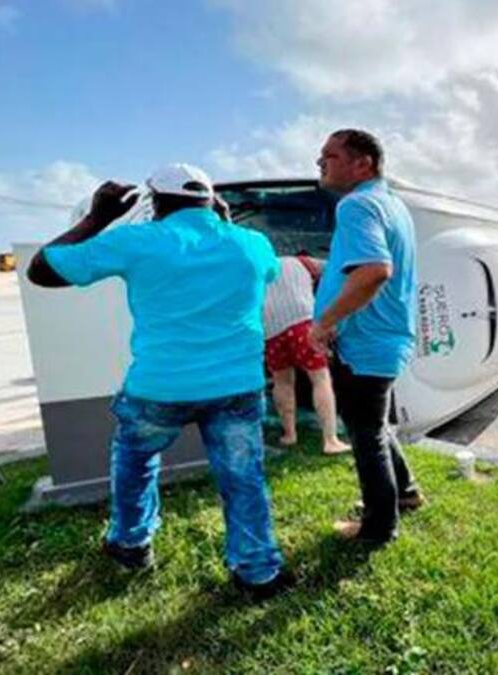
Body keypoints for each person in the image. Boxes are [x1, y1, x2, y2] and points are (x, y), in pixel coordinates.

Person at [26, 165, 295, 599]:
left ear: (156, 202)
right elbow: (264, 273)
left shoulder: (136, 241)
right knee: (243, 476)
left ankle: (132, 543)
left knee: (135, 461)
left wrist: (97, 217)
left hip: (161, 387)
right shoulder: (252, 244)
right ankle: (258, 570)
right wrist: (223, 224)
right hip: (237, 386)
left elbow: (43, 269)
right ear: (212, 202)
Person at [308, 129, 424, 545]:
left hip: (366, 343)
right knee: (375, 426)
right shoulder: (391, 204)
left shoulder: (357, 204)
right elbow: (366, 266)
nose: (320, 163)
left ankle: (379, 528)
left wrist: (324, 323)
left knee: (366, 435)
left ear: (364, 164)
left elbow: (374, 271)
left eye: (330, 156)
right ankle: (406, 494)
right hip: (387, 338)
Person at [264, 255, 350, 455]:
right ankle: (330, 440)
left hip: (271, 328)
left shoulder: (262, 268)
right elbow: (335, 271)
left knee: (282, 381)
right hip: (302, 321)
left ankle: (289, 434)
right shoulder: (302, 262)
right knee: (320, 378)